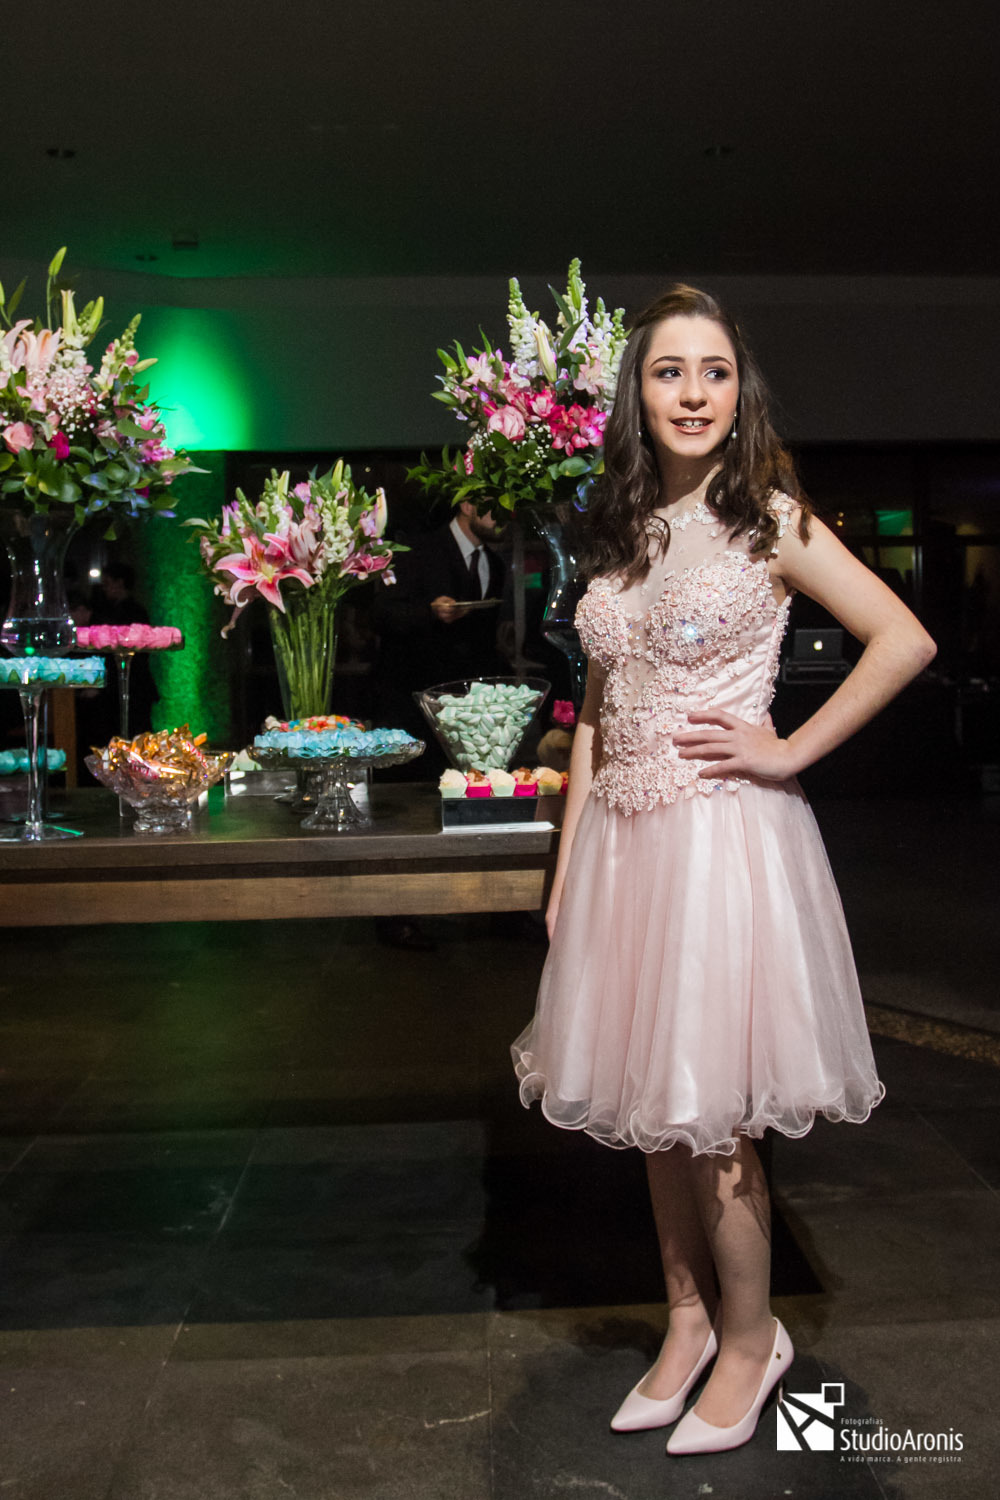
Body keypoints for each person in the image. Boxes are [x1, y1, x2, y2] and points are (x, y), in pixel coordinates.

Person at [510, 285, 936, 1457]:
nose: (692, 393)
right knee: (650, 1112)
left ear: (737, 391)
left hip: (719, 843)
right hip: (623, 850)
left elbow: (903, 637)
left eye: (712, 371)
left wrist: (789, 746)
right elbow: (598, 707)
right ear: (634, 397)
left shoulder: (770, 520)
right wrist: (568, 862)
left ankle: (754, 1338)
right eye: (667, 373)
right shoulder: (624, 529)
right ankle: (688, 1321)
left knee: (708, 1120)